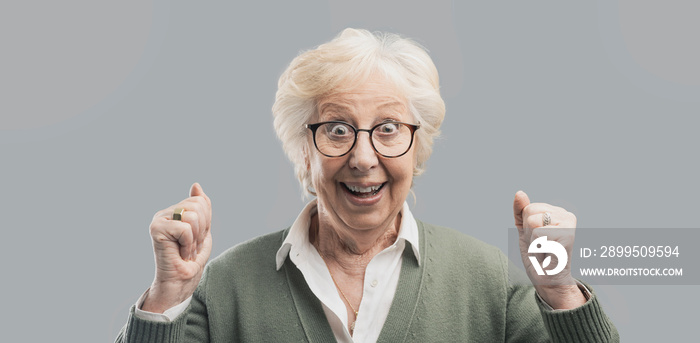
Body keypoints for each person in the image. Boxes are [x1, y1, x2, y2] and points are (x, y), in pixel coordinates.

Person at [116, 28, 618, 342]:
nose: (362, 157)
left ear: (417, 148)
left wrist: (559, 292)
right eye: (336, 129)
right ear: (302, 148)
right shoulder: (225, 287)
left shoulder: (488, 281)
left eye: (389, 129)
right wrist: (168, 295)